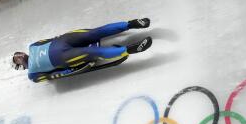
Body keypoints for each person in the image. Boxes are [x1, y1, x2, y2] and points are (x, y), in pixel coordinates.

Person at [12, 18, 152, 82]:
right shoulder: (32, 75)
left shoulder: (32, 46)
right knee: (94, 53)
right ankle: (131, 49)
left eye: (17, 54)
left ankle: (132, 23)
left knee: (95, 32)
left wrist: (66, 35)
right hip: (65, 57)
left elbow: (48, 40)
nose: (19, 56)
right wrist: (74, 70)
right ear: (20, 67)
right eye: (16, 59)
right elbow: (53, 75)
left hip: (64, 40)